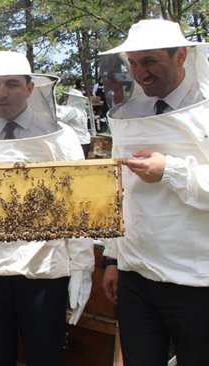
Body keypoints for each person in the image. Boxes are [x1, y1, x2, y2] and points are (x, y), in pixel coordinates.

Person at [0, 51, 94, 366]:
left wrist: (82, 266)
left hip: (44, 269)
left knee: (45, 355)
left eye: (12, 84)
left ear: (29, 88)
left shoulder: (61, 138)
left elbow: (78, 206)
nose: (2, 93)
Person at [99, 19, 209, 366]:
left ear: (180, 56)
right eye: (132, 63)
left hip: (196, 278)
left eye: (149, 61)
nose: (139, 73)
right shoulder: (131, 113)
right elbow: (123, 191)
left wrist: (171, 170)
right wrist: (114, 259)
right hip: (136, 276)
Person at [57, 88, 92, 158]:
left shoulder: (73, 110)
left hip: (78, 142)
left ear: (72, 98)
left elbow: (59, 117)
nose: (67, 99)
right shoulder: (81, 110)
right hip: (85, 141)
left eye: (68, 97)